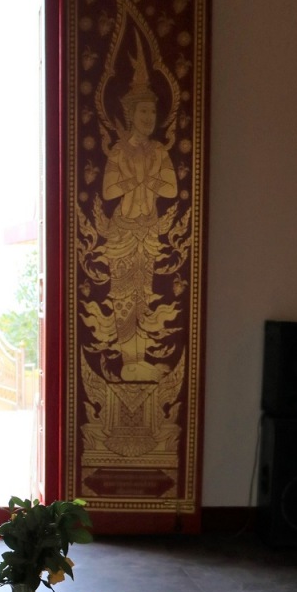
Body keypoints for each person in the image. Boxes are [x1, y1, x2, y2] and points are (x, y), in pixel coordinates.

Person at [101, 34, 177, 382]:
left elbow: (172, 188)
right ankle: (127, 360)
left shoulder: (158, 151)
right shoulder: (119, 152)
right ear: (130, 114)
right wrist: (136, 180)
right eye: (143, 111)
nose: (149, 117)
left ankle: (139, 359)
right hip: (123, 231)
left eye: (153, 111)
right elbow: (108, 190)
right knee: (123, 294)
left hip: (148, 229)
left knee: (144, 293)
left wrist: (150, 180)